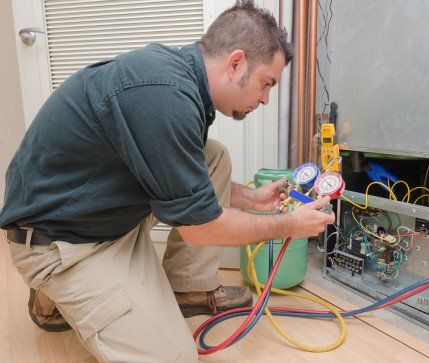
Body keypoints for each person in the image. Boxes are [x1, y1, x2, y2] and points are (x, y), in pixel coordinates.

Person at [0, 0, 334, 361]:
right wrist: (289, 225)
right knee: (174, 357)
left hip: (98, 208)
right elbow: (200, 228)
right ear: (236, 62)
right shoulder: (165, 98)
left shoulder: (178, 78)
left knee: (214, 156)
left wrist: (250, 199)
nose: (266, 99)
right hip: (61, 241)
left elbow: (179, 176)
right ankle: (54, 290)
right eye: (265, 83)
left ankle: (186, 288)